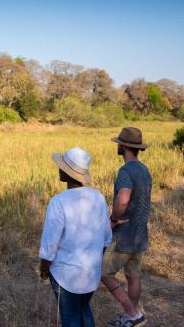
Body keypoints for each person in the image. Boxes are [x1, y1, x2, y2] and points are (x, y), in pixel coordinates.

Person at [39, 147, 112, 327]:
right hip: (91, 273)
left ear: (66, 172)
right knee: (83, 309)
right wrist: (93, 261)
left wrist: (44, 268)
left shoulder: (58, 202)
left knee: (70, 318)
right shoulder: (99, 198)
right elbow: (106, 238)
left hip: (65, 275)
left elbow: (50, 244)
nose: (58, 168)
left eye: (61, 166)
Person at [102, 127, 151, 327]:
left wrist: (113, 219)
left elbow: (122, 200)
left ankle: (132, 314)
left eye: (119, 144)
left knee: (104, 273)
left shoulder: (125, 171)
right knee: (133, 276)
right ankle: (130, 318)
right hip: (140, 233)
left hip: (125, 235)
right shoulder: (144, 170)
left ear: (123, 146)